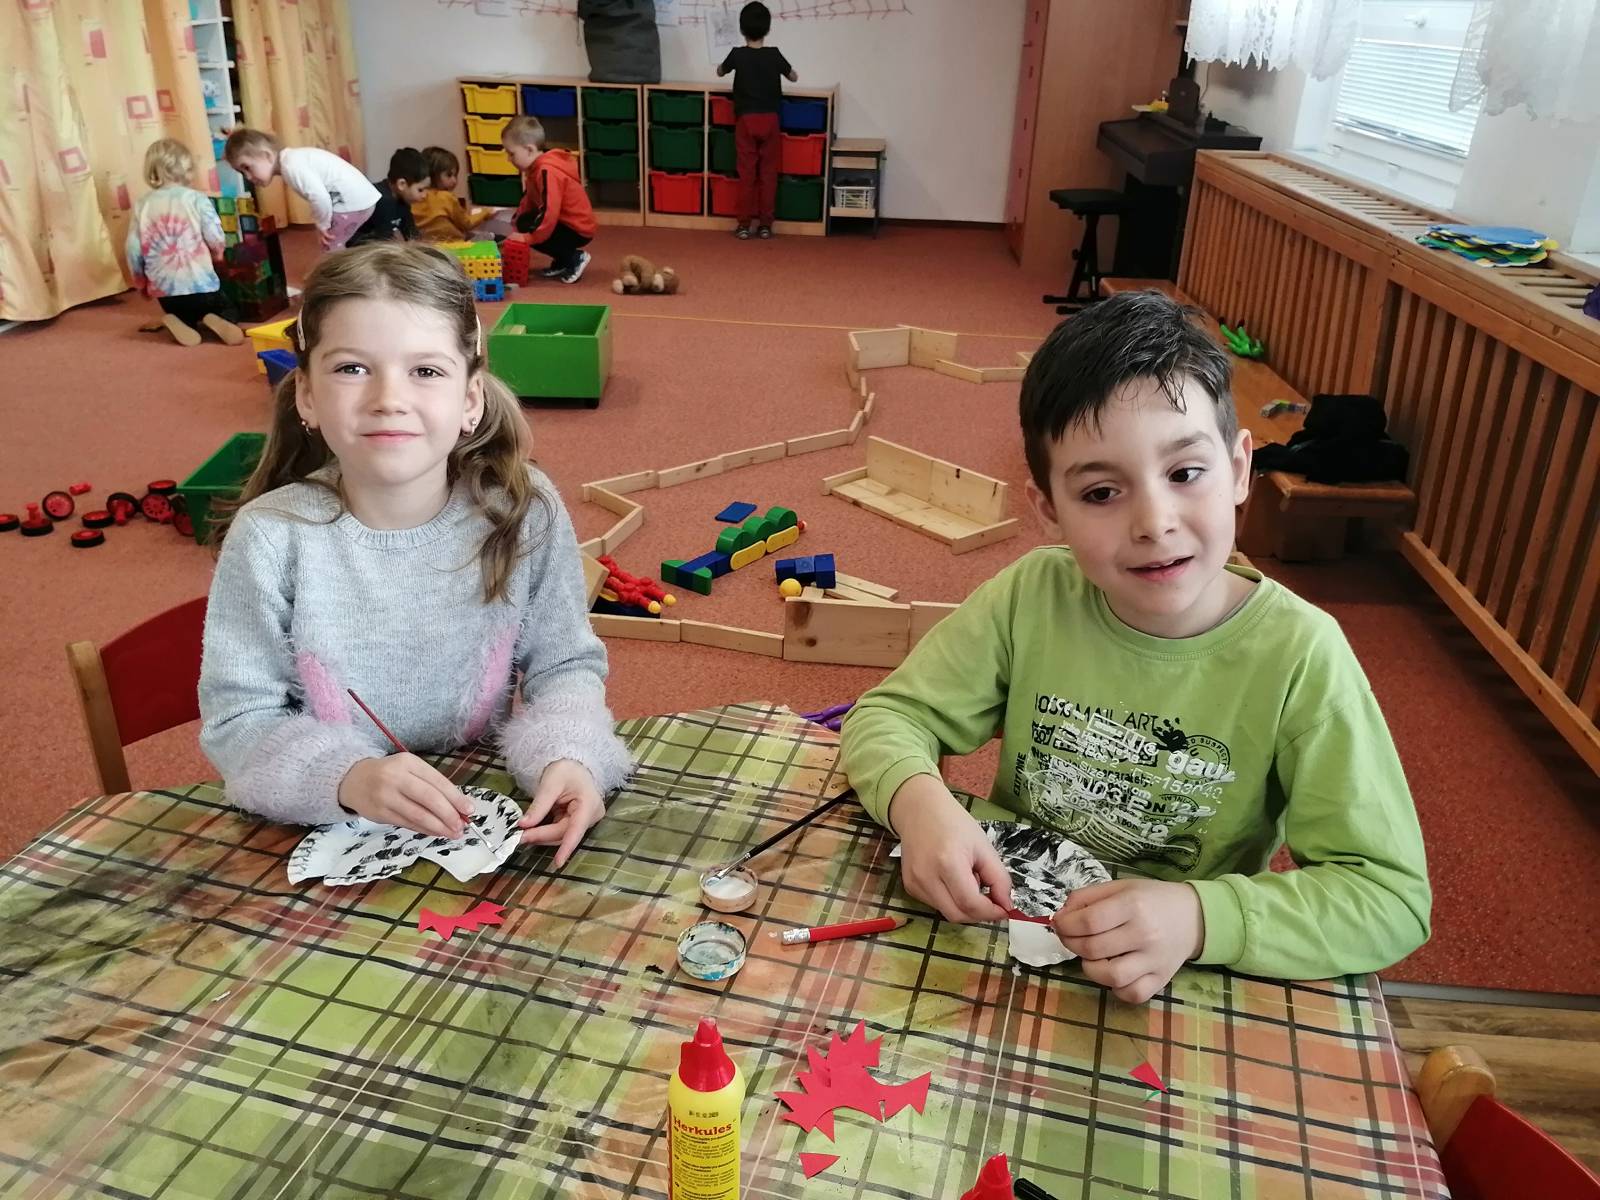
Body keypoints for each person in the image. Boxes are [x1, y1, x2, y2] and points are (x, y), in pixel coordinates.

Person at [839, 290, 1431, 1002]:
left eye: (1185, 474)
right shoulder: (1032, 594)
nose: (1154, 522)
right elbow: (888, 716)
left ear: (1239, 469)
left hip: (1171, 977)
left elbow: (1388, 899)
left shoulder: (1302, 654)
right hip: (1008, 938)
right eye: (1100, 493)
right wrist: (919, 803)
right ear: (1048, 510)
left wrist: (1201, 917)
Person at [199, 242, 631, 866]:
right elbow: (239, 720)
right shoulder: (269, 536)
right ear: (307, 397)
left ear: (470, 399)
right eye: (352, 368)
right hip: (323, 827)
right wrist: (346, 776)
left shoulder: (523, 509)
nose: (388, 398)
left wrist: (571, 755)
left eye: (425, 371)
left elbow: (563, 664)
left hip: (476, 810)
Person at [125, 137, 244, 347]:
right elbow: (214, 233)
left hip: (165, 289)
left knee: (181, 312)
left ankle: (179, 320)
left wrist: (140, 282)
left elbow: (133, 248)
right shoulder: (196, 199)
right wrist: (218, 254)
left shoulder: (142, 204)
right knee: (227, 309)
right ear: (188, 170)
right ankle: (215, 317)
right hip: (200, 282)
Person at [223, 128, 380, 251]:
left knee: (330, 246)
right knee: (337, 243)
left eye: (247, 167)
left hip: (351, 205)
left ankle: (337, 279)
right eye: (241, 172)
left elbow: (319, 197)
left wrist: (322, 224)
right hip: (361, 199)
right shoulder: (293, 159)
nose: (248, 177)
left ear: (267, 155)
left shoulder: (291, 167)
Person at [716, 1, 797, 240]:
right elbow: (793, 76)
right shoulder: (774, 54)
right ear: (768, 29)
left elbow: (720, 71)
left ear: (742, 29)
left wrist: (725, 66)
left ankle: (743, 225)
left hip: (746, 120)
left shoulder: (737, 54)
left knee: (747, 174)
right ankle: (765, 225)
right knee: (768, 174)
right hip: (770, 119)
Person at [501, 116, 594, 283]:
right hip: (564, 223)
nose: (508, 159)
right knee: (524, 223)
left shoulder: (547, 171)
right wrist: (515, 227)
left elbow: (549, 212)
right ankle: (563, 261)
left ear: (529, 150)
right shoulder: (534, 170)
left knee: (529, 227)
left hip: (577, 228)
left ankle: (574, 257)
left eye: (511, 154)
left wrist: (528, 237)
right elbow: (528, 200)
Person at [346, 147, 429, 247]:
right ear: (402, 184)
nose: (425, 195)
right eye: (420, 190)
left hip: (376, 246)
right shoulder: (383, 200)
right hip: (358, 248)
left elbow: (411, 233)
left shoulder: (403, 200)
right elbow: (385, 241)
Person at [412, 146, 495, 241]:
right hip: (454, 245)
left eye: (455, 175)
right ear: (433, 174)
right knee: (492, 237)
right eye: (449, 175)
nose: (454, 181)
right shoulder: (446, 197)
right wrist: (485, 212)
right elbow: (467, 223)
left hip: (426, 245)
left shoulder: (413, 198)